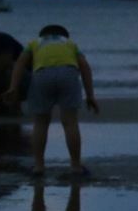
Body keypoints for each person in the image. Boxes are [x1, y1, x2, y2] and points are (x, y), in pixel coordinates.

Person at [6, 24, 97, 175]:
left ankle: (39, 166)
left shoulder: (34, 43)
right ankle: (75, 166)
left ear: (42, 36)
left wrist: (13, 86)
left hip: (41, 75)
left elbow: (20, 63)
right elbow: (84, 66)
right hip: (68, 73)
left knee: (40, 123)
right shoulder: (70, 44)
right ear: (65, 37)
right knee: (70, 123)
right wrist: (90, 95)